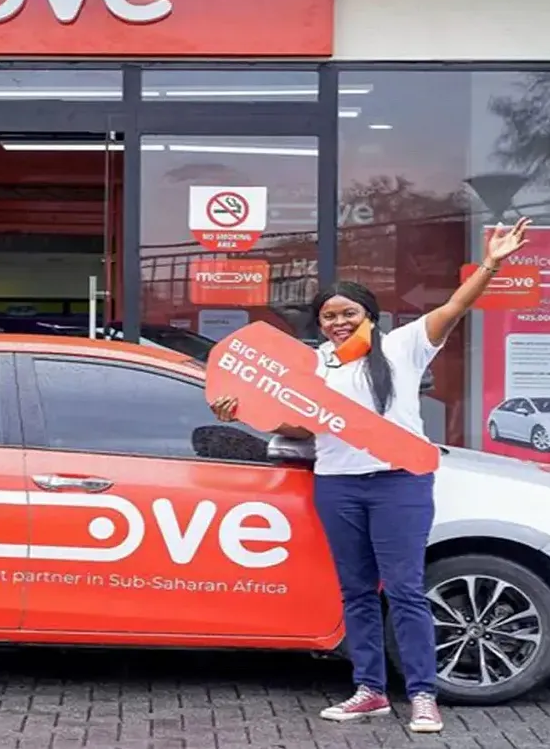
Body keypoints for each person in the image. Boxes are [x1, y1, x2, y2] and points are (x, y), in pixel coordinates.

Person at [209, 218, 532, 734]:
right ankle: (370, 691)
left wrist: (491, 263)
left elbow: (455, 307)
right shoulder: (314, 365)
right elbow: (302, 426)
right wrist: (241, 412)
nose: (338, 322)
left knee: (405, 590)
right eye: (328, 316)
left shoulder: (404, 346)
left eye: (348, 313)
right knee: (356, 592)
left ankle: (423, 695)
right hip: (337, 485)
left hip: (399, 484)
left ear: (369, 316)